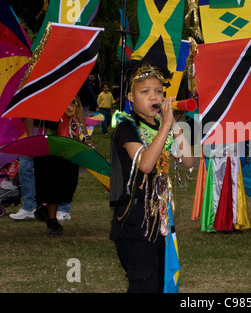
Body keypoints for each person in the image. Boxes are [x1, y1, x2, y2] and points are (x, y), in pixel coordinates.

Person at [109, 61, 194, 292]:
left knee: (158, 279)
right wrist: (166, 125)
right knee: (142, 282)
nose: (153, 96)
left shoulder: (162, 125)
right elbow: (146, 164)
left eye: (158, 91)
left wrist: (173, 124)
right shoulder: (127, 127)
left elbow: (188, 161)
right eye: (144, 91)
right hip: (134, 220)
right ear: (130, 97)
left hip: (160, 219)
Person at [32, 95, 94, 234]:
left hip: (69, 141)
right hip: (47, 140)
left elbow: (79, 111)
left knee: (69, 180)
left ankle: (44, 208)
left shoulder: (73, 90)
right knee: (50, 180)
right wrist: (31, 139)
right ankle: (52, 220)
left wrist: (86, 135)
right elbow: (30, 113)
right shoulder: (42, 88)